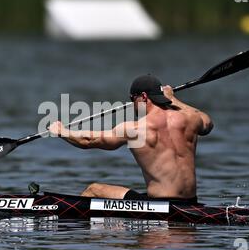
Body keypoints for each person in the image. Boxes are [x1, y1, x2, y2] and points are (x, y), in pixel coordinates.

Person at [48, 75, 213, 203]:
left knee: (93, 190)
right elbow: (207, 122)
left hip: (159, 206)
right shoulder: (191, 119)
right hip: (191, 203)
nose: (132, 104)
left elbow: (88, 141)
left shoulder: (135, 128)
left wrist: (62, 131)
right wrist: (173, 99)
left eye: (132, 99)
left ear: (143, 97)